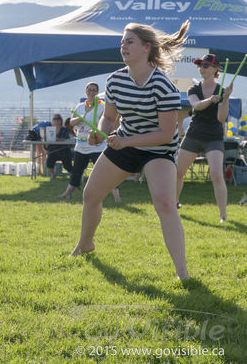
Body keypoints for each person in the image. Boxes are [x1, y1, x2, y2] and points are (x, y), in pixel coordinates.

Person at [69, 21, 191, 280]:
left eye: (129, 41)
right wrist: (98, 131)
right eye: (122, 41)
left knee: (166, 204)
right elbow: (109, 118)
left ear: (147, 47)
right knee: (91, 195)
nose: (123, 45)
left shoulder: (163, 85)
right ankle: (85, 244)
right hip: (125, 143)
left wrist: (126, 141)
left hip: (159, 149)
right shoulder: (114, 80)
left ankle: (182, 272)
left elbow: (167, 133)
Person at [175, 54, 232, 223]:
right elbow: (196, 105)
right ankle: (174, 202)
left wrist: (225, 99)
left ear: (215, 69)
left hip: (213, 136)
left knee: (216, 174)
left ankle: (223, 216)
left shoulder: (221, 90)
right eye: (200, 66)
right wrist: (210, 99)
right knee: (178, 172)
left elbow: (221, 118)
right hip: (194, 134)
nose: (202, 69)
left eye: (206, 66)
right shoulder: (193, 89)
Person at [58, 83, 120, 202]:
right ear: (86, 91)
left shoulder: (102, 107)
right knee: (76, 172)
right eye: (89, 90)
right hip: (81, 146)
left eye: (94, 90)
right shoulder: (80, 106)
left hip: (97, 146)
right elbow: (71, 122)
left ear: (97, 92)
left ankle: (117, 197)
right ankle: (67, 193)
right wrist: (80, 118)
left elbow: (106, 124)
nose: (91, 92)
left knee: (106, 173)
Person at [45, 114, 73, 179]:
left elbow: (66, 139)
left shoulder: (65, 129)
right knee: (49, 163)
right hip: (53, 150)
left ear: (61, 120)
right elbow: (47, 142)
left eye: (58, 119)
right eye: (54, 119)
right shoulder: (49, 129)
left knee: (67, 166)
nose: (56, 120)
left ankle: (74, 174)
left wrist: (57, 139)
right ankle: (53, 174)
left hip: (63, 149)